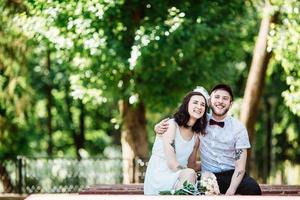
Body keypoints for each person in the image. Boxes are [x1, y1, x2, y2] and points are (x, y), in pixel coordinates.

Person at [155, 84, 262, 195]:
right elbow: (182, 122)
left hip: (233, 174)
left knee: (253, 188)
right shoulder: (200, 121)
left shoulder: (238, 128)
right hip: (209, 176)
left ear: (230, 104)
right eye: (217, 97)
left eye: (225, 98)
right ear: (210, 101)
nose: (220, 101)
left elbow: (240, 167)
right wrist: (157, 128)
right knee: (202, 190)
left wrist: (231, 190)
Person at [144, 90, 208, 195]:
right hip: (159, 177)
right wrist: (191, 174)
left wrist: (213, 164)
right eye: (195, 102)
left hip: (181, 177)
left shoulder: (196, 137)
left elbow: (191, 165)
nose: (199, 106)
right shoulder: (171, 126)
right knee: (190, 176)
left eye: (203, 104)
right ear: (186, 105)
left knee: (205, 177)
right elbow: (172, 164)